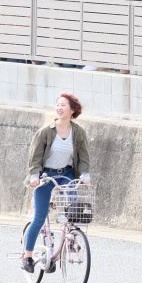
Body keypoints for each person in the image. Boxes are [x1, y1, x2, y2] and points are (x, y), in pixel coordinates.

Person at [22, 93, 90, 273]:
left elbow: (83, 157)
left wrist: (85, 175)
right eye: (57, 105)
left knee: (73, 206)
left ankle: (71, 238)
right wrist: (35, 176)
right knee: (39, 216)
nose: (59, 108)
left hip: (66, 174)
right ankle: (28, 256)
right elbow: (35, 157)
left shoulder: (78, 132)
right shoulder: (46, 131)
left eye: (63, 105)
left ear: (72, 110)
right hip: (46, 176)